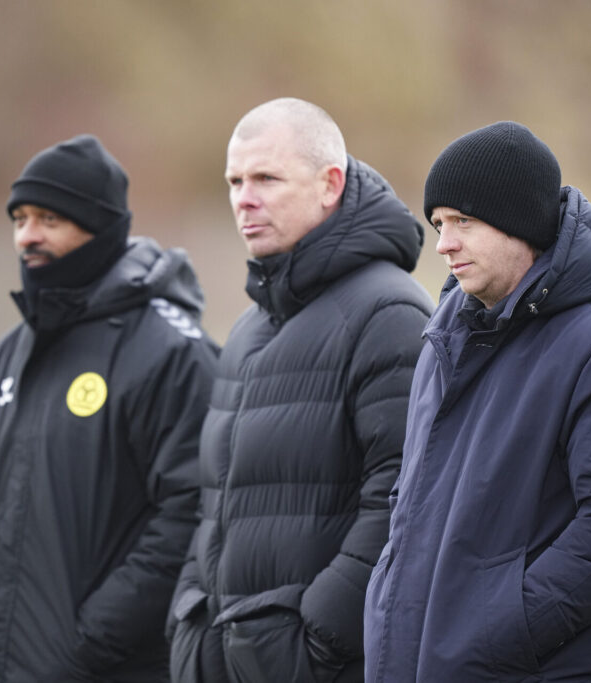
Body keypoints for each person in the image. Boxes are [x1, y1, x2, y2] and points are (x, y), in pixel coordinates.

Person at [364, 121, 591, 681]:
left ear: (521, 223)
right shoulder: (448, 338)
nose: (443, 243)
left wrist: (491, 632)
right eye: (438, 223)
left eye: (463, 220)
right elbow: (411, 503)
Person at [167, 98, 433, 682]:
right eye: (235, 181)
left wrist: (318, 638)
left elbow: (403, 501)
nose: (244, 197)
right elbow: (214, 500)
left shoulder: (389, 311)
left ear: (329, 184)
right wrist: (190, 617)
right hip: (225, 659)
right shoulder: (245, 329)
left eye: (266, 177)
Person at [0, 134, 219, 682]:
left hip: (106, 668)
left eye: (48, 219)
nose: (27, 236)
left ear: (99, 229)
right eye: (19, 218)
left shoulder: (170, 353)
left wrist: (90, 639)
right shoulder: (5, 357)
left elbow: (193, 509)